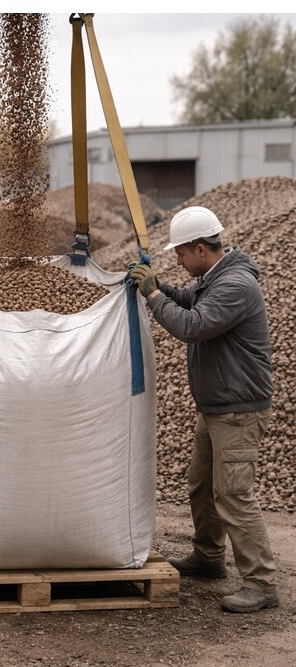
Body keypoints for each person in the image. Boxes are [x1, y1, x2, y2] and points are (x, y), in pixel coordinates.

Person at [129, 205, 279, 614]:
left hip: (238, 410)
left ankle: (262, 583)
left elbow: (192, 325)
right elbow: (190, 300)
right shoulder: (214, 277)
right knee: (201, 484)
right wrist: (161, 287)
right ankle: (209, 557)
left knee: (233, 494)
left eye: (180, 253)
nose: (177, 259)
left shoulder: (236, 285)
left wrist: (154, 294)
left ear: (200, 248)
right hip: (217, 406)